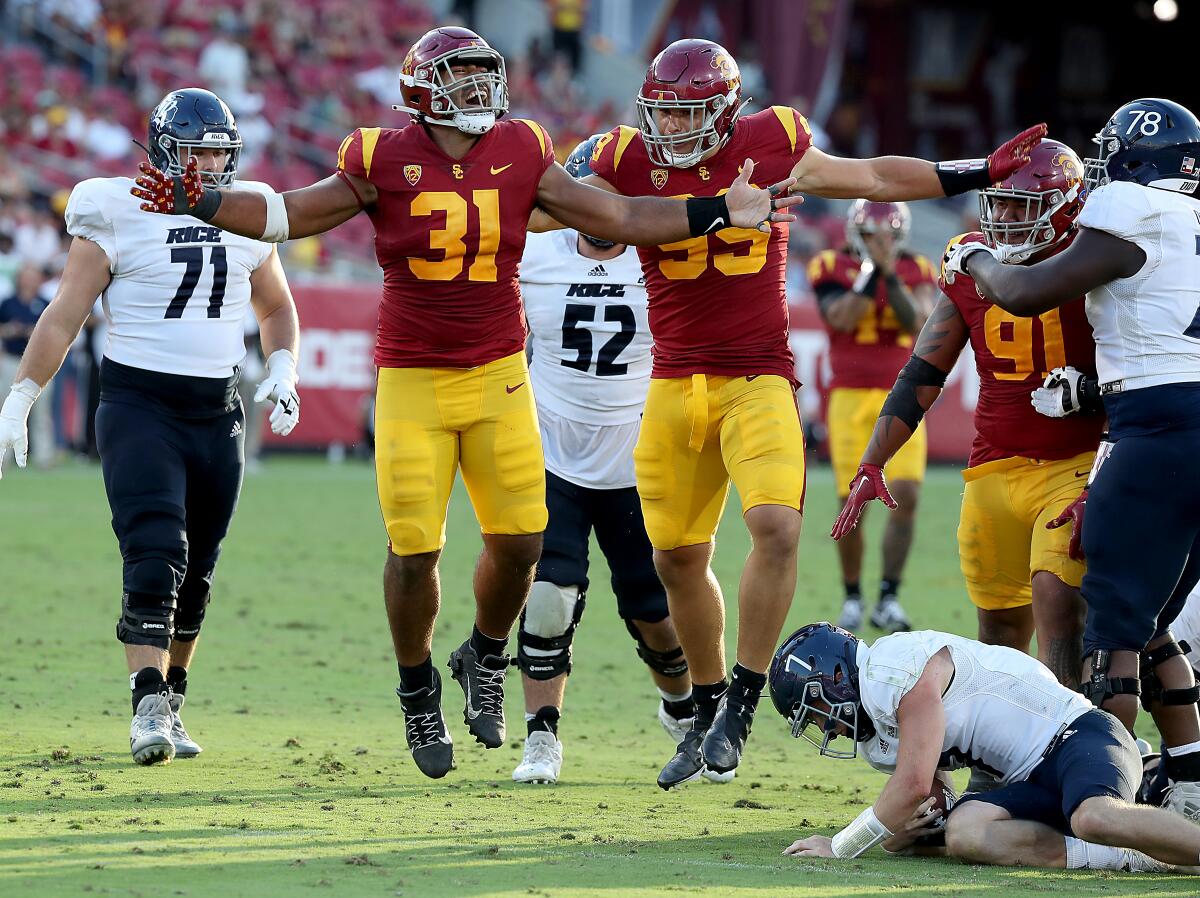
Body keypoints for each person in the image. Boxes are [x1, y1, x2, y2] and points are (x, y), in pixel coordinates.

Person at [129, 26, 802, 781]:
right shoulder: (378, 155)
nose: (481, 91)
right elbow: (291, 213)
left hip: (499, 372)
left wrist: (715, 211)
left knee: (521, 546)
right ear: (421, 89)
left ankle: (482, 651)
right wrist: (205, 201)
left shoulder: (521, 146)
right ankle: (417, 688)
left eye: (486, 76)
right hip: (414, 375)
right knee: (415, 553)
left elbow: (613, 219)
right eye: (462, 79)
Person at [537, 37, 1046, 787]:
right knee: (675, 558)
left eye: (686, 116)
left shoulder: (773, 137)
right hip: (673, 381)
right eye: (661, 114)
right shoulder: (619, 152)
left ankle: (741, 700)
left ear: (724, 112)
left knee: (775, 525)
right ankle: (706, 703)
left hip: (756, 375)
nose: (668, 130)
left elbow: (871, 175)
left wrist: (976, 169)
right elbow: (558, 204)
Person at [0, 88, 301, 765]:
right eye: (196, 151)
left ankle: (172, 700)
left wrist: (283, 367)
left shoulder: (244, 206)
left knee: (198, 570)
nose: (209, 164)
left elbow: (277, 303)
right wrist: (21, 396)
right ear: (165, 151)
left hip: (218, 409)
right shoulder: (115, 204)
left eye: (219, 152)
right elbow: (64, 312)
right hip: (140, 404)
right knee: (156, 548)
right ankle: (144, 703)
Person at [944, 98, 1200, 819]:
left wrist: (975, 258)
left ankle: (1104, 799)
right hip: (1178, 411)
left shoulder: (1129, 204)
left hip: (1153, 433)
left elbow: (1022, 293)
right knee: (1152, 620)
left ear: (1131, 159)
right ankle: (1189, 781)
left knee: (1111, 629)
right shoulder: (1190, 218)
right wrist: (1092, 387)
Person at [831, 140, 1099, 707]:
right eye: (997, 205)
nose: (1003, 218)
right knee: (999, 633)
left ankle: (1072, 747)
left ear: (1066, 208)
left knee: (1057, 604)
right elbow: (924, 370)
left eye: (1021, 206)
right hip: (993, 468)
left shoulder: (1094, 258)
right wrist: (874, 459)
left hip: (1073, 463)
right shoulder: (969, 267)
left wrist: (1092, 391)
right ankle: (1005, 758)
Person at [512, 135, 720, 786]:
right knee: (549, 596)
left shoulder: (663, 260)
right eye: (589, 198)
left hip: (638, 455)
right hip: (551, 452)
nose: (601, 214)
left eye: (615, 200)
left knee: (653, 610)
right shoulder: (533, 253)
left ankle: (683, 711)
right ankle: (542, 736)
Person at [769, 622, 1200, 873]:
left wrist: (842, 844)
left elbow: (913, 784)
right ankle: (1123, 856)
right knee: (966, 832)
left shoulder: (889, 669)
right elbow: (932, 806)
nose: (828, 727)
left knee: (1093, 815)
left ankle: (1154, 815)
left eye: (818, 710)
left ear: (835, 677)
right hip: (1030, 778)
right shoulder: (878, 736)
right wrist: (899, 834)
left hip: (1077, 735)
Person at [809, 200, 936, 633]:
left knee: (907, 494)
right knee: (852, 501)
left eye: (886, 235)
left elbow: (915, 318)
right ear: (855, 233)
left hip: (901, 395)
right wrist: (871, 273)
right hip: (849, 396)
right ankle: (852, 597)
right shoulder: (829, 264)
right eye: (871, 234)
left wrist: (887, 272)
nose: (880, 242)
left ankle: (887, 596)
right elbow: (841, 318)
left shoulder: (916, 266)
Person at [0, 263, 54, 468]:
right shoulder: (8, 303)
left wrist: (36, 333)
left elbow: (55, 332)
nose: (30, 280)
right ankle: (4, 457)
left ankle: (44, 455)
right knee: (6, 408)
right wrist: (10, 330)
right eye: (27, 276)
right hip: (13, 359)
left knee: (42, 412)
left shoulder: (45, 302)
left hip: (41, 363)